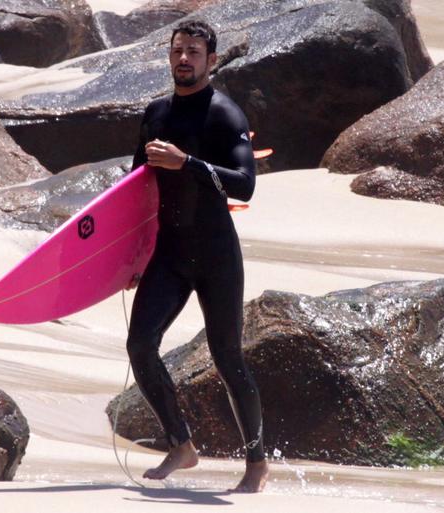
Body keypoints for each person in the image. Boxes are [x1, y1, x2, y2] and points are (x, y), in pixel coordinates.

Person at [127, 19, 269, 493]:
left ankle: (255, 464)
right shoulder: (155, 113)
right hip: (168, 252)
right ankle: (181, 444)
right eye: (177, 51)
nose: (183, 58)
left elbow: (245, 183)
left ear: (211, 60)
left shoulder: (225, 114)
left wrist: (187, 163)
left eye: (193, 51)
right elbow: (136, 192)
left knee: (228, 358)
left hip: (215, 255)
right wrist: (131, 255)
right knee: (140, 345)